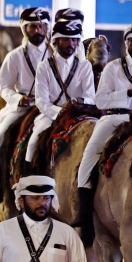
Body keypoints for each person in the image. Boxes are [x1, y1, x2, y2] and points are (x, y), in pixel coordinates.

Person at [76, 23, 132, 245]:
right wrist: (128, 93)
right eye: (131, 41)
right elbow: (101, 100)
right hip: (117, 118)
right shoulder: (113, 68)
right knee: (91, 151)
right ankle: (84, 210)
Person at [0, 7, 51, 217]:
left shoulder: (53, 54)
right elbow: (4, 87)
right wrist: (18, 98)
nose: (38, 30)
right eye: (33, 26)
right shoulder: (14, 56)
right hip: (22, 106)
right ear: (25, 29)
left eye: (41, 26)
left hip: (48, 107)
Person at [24, 18, 95, 168]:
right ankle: (27, 180)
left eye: (75, 40)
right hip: (50, 116)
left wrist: (81, 101)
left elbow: (91, 97)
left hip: (79, 115)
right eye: (66, 40)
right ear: (56, 41)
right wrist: (60, 111)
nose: (71, 44)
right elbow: (42, 102)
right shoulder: (44, 67)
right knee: (33, 143)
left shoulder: (85, 66)